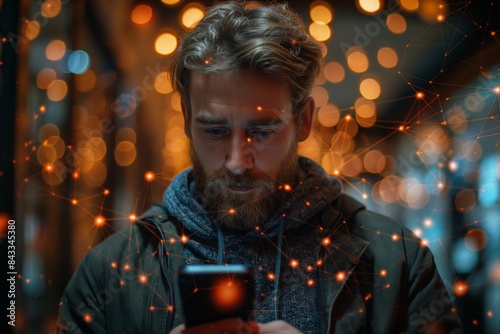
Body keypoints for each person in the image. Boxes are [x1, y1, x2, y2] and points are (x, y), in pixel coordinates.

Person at [57, 1, 463, 333]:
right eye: (215, 130)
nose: (237, 161)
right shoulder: (106, 274)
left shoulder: (399, 261)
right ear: (186, 119)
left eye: (263, 131)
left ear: (303, 121)